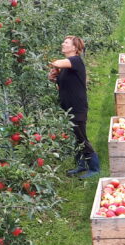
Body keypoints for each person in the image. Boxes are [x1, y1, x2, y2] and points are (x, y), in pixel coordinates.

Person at [49, 36, 99, 179]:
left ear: (74, 48)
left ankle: (95, 168)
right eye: (63, 41)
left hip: (77, 107)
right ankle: (81, 165)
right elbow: (61, 83)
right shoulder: (66, 67)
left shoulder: (75, 60)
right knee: (76, 137)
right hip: (68, 107)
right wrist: (53, 77)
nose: (62, 44)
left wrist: (54, 65)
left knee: (81, 137)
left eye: (66, 43)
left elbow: (57, 62)